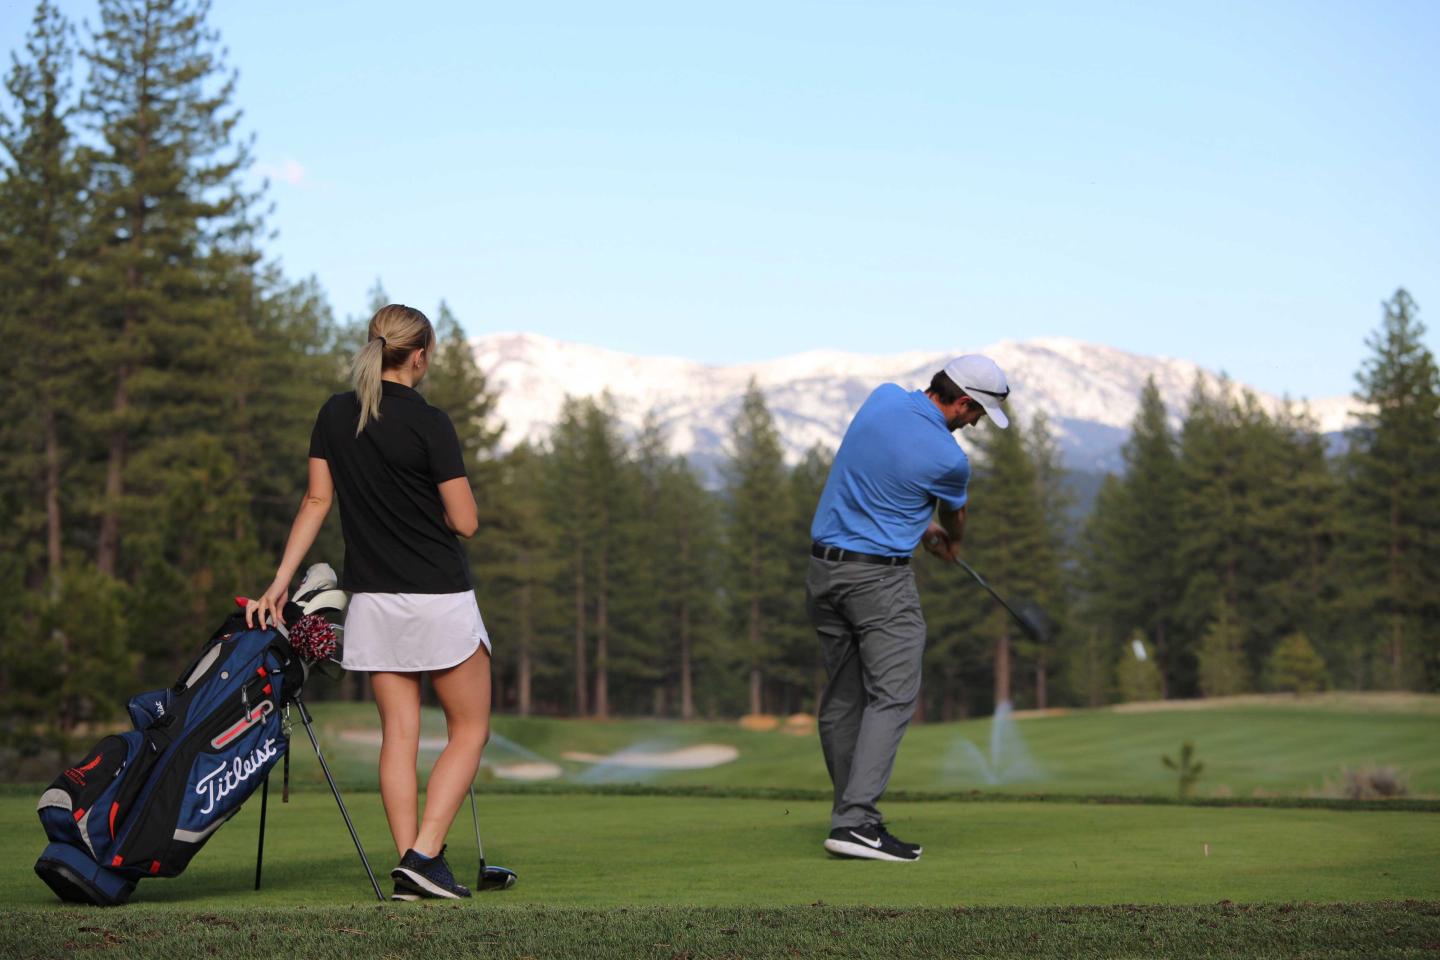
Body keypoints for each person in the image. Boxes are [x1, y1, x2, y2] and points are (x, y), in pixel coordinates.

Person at [247, 303, 490, 900]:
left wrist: (281, 580)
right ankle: (425, 854)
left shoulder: (334, 413)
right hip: (439, 597)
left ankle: (412, 868)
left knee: (399, 735)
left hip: (375, 602)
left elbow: (314, 502)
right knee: (470, 729)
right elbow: (465, 522)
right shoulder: (430, 423)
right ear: (421, 355)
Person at [806, 354, 1010, 862]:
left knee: (843, 698)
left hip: (824, 573)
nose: (975, 423)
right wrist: (950, 542)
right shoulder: (949, 457)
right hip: (878, 582)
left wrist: (916, 524)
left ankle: (847, 819)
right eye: (977, 413)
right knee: (893, 696)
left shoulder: (882, 399)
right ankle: (857, 822)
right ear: (962, 401)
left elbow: (876, 474)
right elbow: (953, 515)